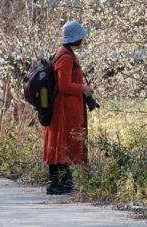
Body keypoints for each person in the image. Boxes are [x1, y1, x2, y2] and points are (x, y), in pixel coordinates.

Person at [42, 20, 94, 195]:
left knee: (61, 142)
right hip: (63, 108)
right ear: (76, 38)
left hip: (66, 107)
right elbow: (64, 85)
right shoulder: (65, 57)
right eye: (82, 37)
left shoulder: (65, 53)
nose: (84, 40)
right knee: (62, 142)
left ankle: (62, 183)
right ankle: (57, 184)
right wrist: (83, 89)